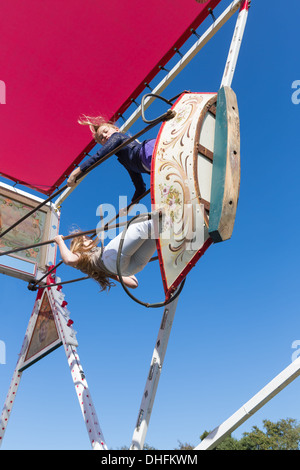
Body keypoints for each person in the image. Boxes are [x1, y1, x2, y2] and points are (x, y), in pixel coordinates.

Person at [54, 217, 158, 292]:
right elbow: (68, 259)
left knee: (156, 234)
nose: (90, 238)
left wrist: (111, 274)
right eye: (86, 238)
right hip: (112, 259)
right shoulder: (82, 255)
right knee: (142, 226)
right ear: (80, 246)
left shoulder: (101, 269)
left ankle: (166, 222)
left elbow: (134, 284)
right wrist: (60, 241)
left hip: (127, 269)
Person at [67, 116, 156, 202]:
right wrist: (131, 206)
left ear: (116, 129)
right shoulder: (125, 160)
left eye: (106, 131)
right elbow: (140, 187)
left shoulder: (117, 136)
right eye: (101, 138)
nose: (105, 136)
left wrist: (76, 172)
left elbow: (99, 155)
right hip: (151, 164)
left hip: (149, 149)